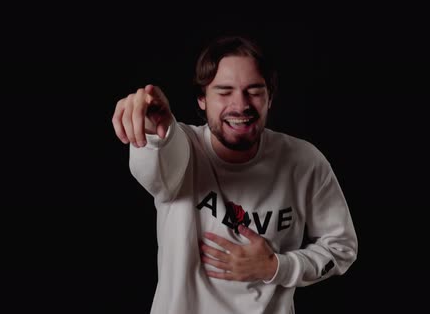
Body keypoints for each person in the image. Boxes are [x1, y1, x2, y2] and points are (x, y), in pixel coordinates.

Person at [111, 35, 357, 314]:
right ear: (202, 99)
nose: (240, 105)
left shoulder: (304, 161)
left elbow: (342, 248)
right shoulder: (181, 146)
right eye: (224, 92)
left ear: (270, 98)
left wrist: (276, 266)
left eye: (253, 91)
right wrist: (153, 130)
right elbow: (155, 169)